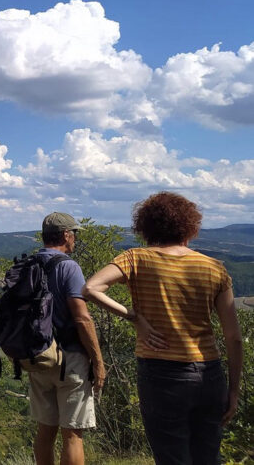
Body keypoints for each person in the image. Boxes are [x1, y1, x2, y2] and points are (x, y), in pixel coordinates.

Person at [82, 192, 242, 465]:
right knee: (208, 457)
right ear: (190, 227)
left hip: (161, 375)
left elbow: (90, 288)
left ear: (147, 227)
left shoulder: (135, 258)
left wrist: (134, 318)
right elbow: (233, 337)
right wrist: (234, 390)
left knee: (171, 457)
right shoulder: (215, 268)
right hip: (209, 374)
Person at [30, 212, 105, 465]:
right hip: (70, 359)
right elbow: (82, 318)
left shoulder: (30, 264)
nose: (75, 239)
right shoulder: (68, 266)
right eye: (74, 234)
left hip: (38, 357)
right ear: (65, 235)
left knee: (45, 431)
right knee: (72, 434)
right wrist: (97, 361)